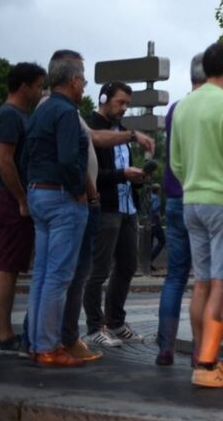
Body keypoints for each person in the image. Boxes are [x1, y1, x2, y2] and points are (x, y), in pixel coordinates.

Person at [170, 42, 223, 388]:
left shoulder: (184, 106)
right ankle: (207, 365)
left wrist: (193, 184)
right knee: (222, 284)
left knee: (202, 283)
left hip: (192, 201)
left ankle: (203, 355)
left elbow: (176, 161)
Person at [22, 50, 90, 366]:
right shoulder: (64, 112)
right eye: (83, 80)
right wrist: (78, 191)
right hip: (62, 198)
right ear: (73, 80)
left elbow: (24, 157)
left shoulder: (41, 111)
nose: (85, 85)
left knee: (42, 275)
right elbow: (68, 159)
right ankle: (49, 346)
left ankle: (37, 344)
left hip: (38, 193)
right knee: (58, 277)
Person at [84, 81, 147, 346]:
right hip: (105, 207)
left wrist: (136, 177)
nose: (124, 108)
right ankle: (94, 326)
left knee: (128, 265)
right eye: (120, 102)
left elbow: (124, 167)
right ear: (103, 99)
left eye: (127, 105)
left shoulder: (121, 130)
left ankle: (116, 321)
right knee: (98, 271)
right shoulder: (91, 127)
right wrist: (122, 174)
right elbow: (92, 175)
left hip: (127, 208)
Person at [155, 53, 205, 366]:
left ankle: (165, 347)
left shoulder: (176, 109)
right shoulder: (213, 107)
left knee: (174, 276)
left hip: (173, 197)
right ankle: (203, 348)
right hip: (200, 197)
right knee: (205, 278)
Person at [0, 62, 46, 356]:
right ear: (25, 86)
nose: (40, 91)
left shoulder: (16, 116)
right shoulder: (10, 116)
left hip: (8, 197)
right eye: (39, 85)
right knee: (7, 268)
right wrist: (21, 199)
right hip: (8, 199)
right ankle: (3, 333)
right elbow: (4, 159)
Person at [149, 185, 165, 269]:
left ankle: (148, 262)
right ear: (158, 190)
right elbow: (155, 210)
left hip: (148, 222)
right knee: (162, 241)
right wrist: (160, 218)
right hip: (155, 222)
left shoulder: (149, 197)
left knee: (150, 243)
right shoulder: (157, 198)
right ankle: (150, 258)